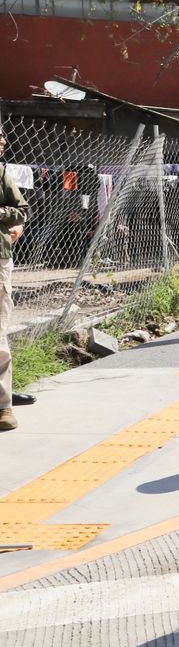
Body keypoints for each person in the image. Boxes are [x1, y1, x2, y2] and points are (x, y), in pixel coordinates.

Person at [0, 126, 26, 430]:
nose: (3, 141)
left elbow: (21, 210)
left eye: (2, 137)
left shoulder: (3, 174)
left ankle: (3, 406)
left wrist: (5, 215)